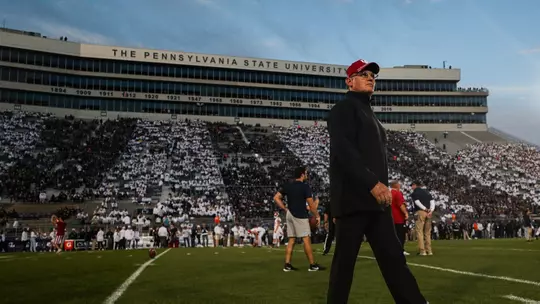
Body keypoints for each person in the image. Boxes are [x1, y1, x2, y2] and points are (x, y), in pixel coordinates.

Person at [326, 59, 427, 304]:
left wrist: (379, 186)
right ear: (349, 81)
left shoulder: (370, 114)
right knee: (344, 266)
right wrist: (372, 182)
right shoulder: (343, 109)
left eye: (373, 75)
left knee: (393, 258)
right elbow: (343, 150)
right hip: (353, 200)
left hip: (377, 202)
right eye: (363, 74)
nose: (371, 77)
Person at [274, 166, 322, 272]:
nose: (307, 175)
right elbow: (310, 204)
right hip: (300, 215)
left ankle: (287, 264)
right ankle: (312, 265)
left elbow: (276, 197)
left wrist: (285, 208)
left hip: (290, 214)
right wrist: (317, 215)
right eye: (306, 173)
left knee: (291, 240)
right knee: (306, 239)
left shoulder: (288, 185)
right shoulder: (305, 187)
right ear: (302, 174)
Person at [411, 181, 435, 255]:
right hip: (429, 213)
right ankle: (429, 250)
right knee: (427, 232)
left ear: (415, 185)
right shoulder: (427, 192)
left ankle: (422, 251)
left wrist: (425, 209)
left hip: (421, 211)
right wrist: (430, 210)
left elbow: (417, 202)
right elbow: (432, 202)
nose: (411, 187)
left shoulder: (415, 193)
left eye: (412, 185)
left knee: (419, 231)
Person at [390, 180, 409, 255]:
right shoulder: (398, 193)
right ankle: (400, 250)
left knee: (393, 235)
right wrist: (405, 213)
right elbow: (401, 205)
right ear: (396, 185)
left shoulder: (389, 193)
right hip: (398, 218)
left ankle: (393, 249)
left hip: (391, 217)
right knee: (400, 235)